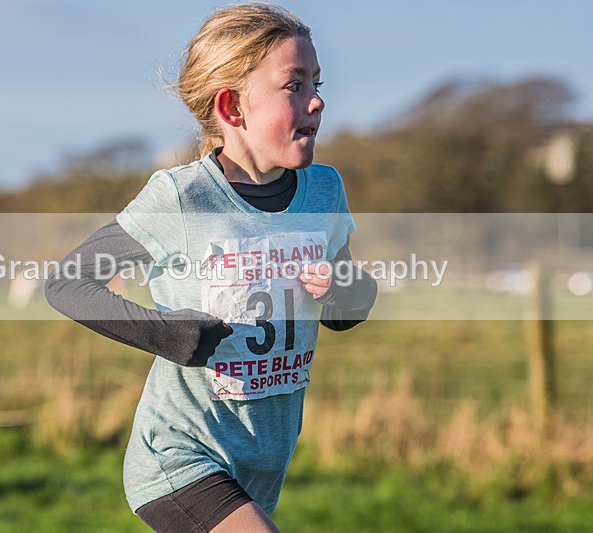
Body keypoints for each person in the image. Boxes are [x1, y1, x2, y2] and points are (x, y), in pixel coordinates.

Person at [44, 3, 377, 531]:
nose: (317, 100)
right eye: (294, 85)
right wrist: (166, 333)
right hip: (180, 456)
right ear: (232, 106)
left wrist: (349, 291)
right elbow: (68, 283)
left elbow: (343, 311)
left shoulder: (324, 191)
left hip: (263, 459)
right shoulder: (182, 197)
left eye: (317, 82)